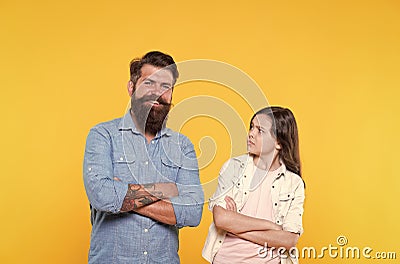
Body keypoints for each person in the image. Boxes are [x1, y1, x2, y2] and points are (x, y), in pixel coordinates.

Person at [83, 51, 204, 264]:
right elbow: (102, 196)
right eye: (149, 83)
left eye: (165, 86)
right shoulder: (103, 135)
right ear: (131, 88)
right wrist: (166, 189)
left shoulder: (182, 146)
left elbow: (193, 212)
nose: (157, 93)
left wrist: (124, 194)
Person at [202, 106, 305, 264]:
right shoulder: (233, 167)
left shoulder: (294, 183)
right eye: (251, 127)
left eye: (260, 130)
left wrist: (236, 225)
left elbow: (289, 240)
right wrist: (270, 226)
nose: (251, 133)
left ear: (278, 143)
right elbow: (221, 219)